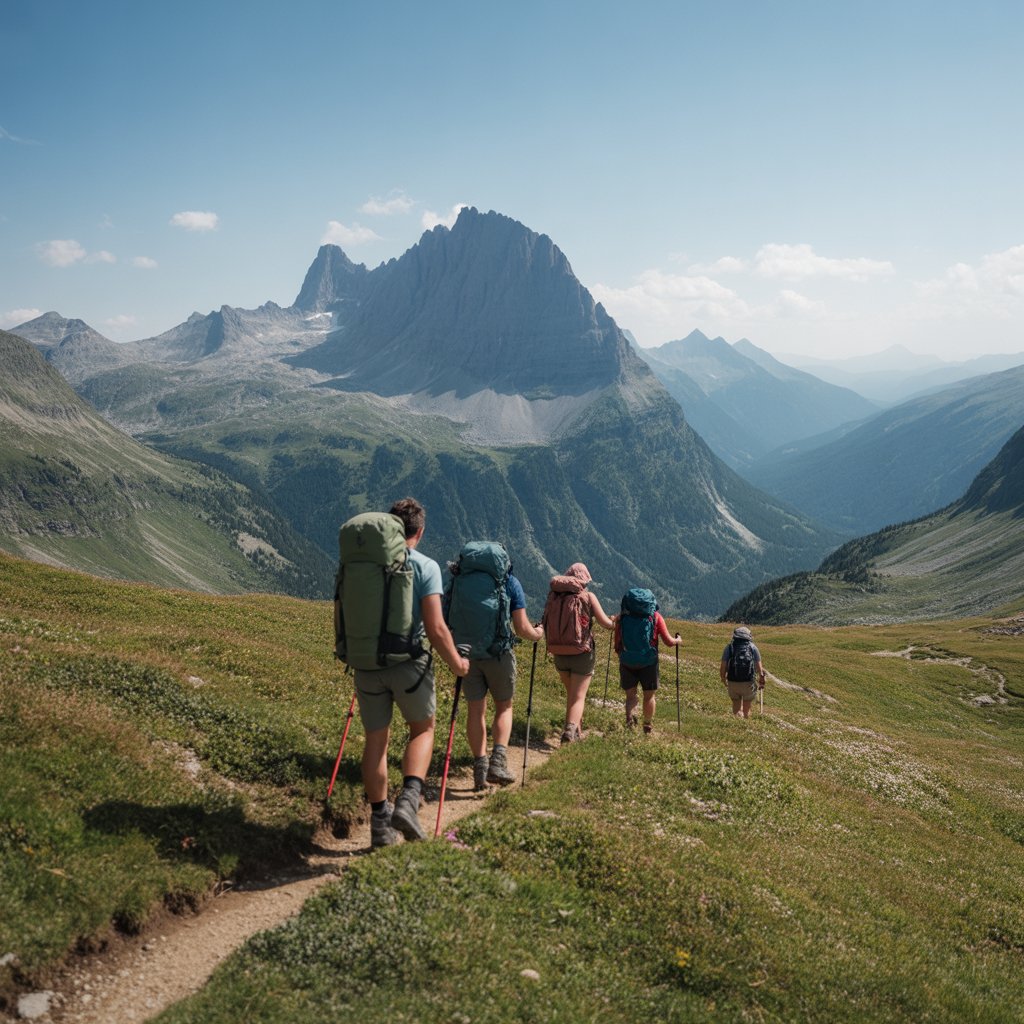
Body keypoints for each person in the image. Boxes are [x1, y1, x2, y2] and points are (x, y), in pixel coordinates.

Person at [354, 497, 470, 848]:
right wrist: (458, 664)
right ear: (420, 531)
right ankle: (407, 800)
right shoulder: (425, 566)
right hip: (409, 664)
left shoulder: (362, 564)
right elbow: (436, 629)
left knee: (377, 739)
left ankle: (379, 824)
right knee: (422, 729)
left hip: (367, 662)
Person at [462, 566, 544, 791]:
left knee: (475, 710)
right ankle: (497, 762)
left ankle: (480, 771)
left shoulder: (461, 579)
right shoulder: (510, 582)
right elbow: (521, 627)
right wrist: (537, 634)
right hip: (499, 655)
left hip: (467, 654)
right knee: (504, 707)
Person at [542, 562, 616, 744]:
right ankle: (569, 731)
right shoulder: (588, 597)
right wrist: (615, 622)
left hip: (558, 652)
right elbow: (606, 624)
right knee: (578, 697)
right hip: (581, 653)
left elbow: (545, 621)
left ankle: (577, 732)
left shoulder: (553, 596)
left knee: (572, 695)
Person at [614, 587, 682, 734]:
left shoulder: (622, 618)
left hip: (627, 661)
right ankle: (647, 725)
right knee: (649, 696)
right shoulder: (656, 617)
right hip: (649, 663)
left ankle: (629, 720)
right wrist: (678, 640)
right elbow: (669, 642)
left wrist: (622, 654)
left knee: (631, 696)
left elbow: (617, 643)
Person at [720, 625, 766, 718]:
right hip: (748, 682)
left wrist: (723, 678)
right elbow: (759, 669)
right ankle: (745, 723)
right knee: (747, 707)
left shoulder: (729, 647)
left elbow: (723, 666)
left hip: (733, 681)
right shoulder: (753, 647)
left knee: (736, 705)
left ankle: (737, 724)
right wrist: (761, 680)